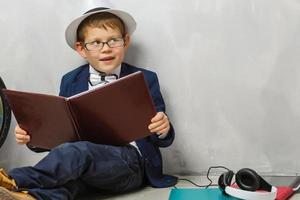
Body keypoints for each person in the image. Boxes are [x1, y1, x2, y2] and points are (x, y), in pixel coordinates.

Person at [0, 7, 177, 200]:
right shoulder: (70, 80)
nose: (106, 48)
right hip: (88, 167)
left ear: (126, 41)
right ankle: (32, 197)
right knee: (72, 182)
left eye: (114, 40)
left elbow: (163, 138)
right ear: (81, 49)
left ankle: (14, 179)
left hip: (131, 164)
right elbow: (62, 134)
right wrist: (32, 136)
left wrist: (163, 127)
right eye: (95, 43)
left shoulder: (146, 78)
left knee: (77, 152)